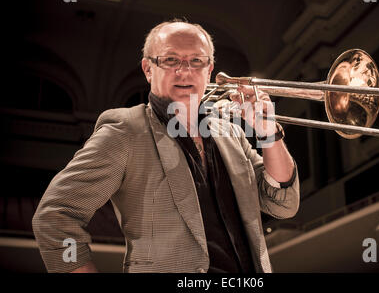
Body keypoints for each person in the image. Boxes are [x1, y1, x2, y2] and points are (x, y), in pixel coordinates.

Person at [32, 19, 300, 273]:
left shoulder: (230, 132)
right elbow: (55, 217)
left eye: (197, 61)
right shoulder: (124, 130)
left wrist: (268, 134)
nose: (185, 70)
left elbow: (283, 204)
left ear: (209, 69)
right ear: (148, 69)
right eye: (171, 60)